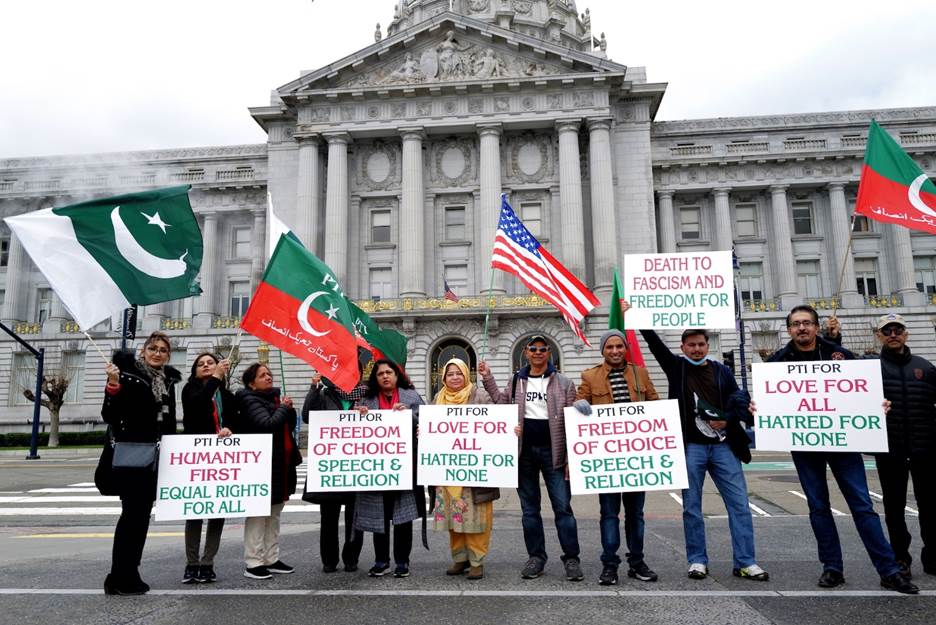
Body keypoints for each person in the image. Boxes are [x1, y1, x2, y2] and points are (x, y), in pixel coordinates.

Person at [766, 305, 917, 594]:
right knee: (818, 507)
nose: (802, 328)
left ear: (816, 327)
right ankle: (832, 568)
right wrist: (755, 407)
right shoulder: (778, 362)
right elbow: (764, 401)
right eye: (796, 324)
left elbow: (865, 389)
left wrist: (878, 403)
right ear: (789, 330)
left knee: (862, 506)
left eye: (807, 323)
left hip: (843, 442)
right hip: (805, 444)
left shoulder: (840, 355)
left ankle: (888, 570)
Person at [626, 306, 768, 583]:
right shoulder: (675, 367)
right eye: (691, 345)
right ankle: (697, 560)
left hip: (724, 446)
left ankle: (746, 562)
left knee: (739, 505)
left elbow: (739, 397)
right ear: (683, 347)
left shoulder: (721, 371)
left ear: (708, 345)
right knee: (691, 507)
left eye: (701, 344)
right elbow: (654, 343)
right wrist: (635, 316)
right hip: (691, 447)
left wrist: (727, 419)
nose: (697, 349)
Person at [479, 335, 583, 582]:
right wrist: (487, 378)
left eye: (542, 349)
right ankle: (536, 557)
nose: (538, 353)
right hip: (523, 452)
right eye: (533, 349)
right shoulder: (517, 380)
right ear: (526, 352)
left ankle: (571, 559)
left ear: (549, 353)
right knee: (529, 510)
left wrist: (570, 457)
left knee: (563, 508)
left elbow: (572, 420)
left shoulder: (565, 383)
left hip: (554, 453)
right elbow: (501, 402)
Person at [574, 329, 661, 585]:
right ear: (603, 350)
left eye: (619, 346)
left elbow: (655, 405)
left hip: (636, 459)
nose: (615, 351)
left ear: (625, 349)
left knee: (636, 514)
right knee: (609, 514)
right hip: (607, 461)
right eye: (610, 347)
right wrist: (578, 405)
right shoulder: (590, 376)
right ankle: (609, 564)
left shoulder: (640, 373)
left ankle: (637, 562)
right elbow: (579, 404)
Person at [102, 331, 181, 595]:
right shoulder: (128, 377)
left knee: (140, 518)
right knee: (132, 518)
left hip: (156, 459)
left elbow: (169, 421)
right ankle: (119, 576)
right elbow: (110, 413)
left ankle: (127, 573)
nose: (158, 353)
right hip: (133, 457)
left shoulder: (167, 380)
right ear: (143, 352)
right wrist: (113, 385)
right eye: (153, 348)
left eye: (163, 350)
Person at [867, 313, 936, 578]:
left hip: (925, 449)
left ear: (906, 334)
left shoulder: (926, 367)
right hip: (890, 450)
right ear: (879, 336)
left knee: (930, 506)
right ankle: (900, 558)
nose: (893, 334)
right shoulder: (870, 368)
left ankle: (932, 557)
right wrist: (833, 336)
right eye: (887, 331)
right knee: (894, 509)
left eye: (897, 330)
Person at [354, 359, 426, 578]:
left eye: (389, 372)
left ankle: (402, 561)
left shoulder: (412, 397)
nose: (385, 376)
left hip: (405, 465)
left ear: (397, 375)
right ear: (375, 378)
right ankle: (381, 560)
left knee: (403, 516)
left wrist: (409, 415)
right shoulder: (366, 400)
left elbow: (427, 423)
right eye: (380, 374)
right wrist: (360, 417)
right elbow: (353, 431)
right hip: (377, 468)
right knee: (380, 515)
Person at [431, 358, 499, 580]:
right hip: (448, 473)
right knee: (455, 518)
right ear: (444, 378)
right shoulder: (437, 399)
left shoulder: (480, 396)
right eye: (450, 374)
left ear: (466, 375)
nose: (454, 377)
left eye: (458, 373)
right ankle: (460, 558)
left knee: (476, 519)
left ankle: (477, 561)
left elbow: (496, 424)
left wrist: (510, 430)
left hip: (474, 471)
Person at [235, 363, 301, 580]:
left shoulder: (272, 400)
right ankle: (253, 561)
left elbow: (285, 426)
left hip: (280, 464)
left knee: (274, 514)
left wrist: (288, 410)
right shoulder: (248, 399)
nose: (268, 377)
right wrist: (283, 408)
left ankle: (271, 558)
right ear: (251, 382)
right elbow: (266, 424)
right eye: (262, 375)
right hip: (262, 466)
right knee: (258, 515)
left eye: (269, 374)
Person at [301, 367, 368, 574]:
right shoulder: (323, 394)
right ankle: (329, 560)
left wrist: (367, 414)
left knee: (354, 517)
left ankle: (351, 558)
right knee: (328, 517)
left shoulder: (365, 396)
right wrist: (314, 386)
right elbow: (307, 416)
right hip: (331, 467)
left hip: (357, 466)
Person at [180, 352, 234, 584]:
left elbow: (233, 419)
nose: (205, 366)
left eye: (210, 363)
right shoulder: (189, 390)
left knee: (216, 512)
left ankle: (207, 562)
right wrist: (216, 377)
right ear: (194, 371)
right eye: (200, 364)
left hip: (221, 457)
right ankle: (192, 563)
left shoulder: (226, 394)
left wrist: (228, 429)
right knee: (195, 512)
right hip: (197, 456)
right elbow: (198, 405)